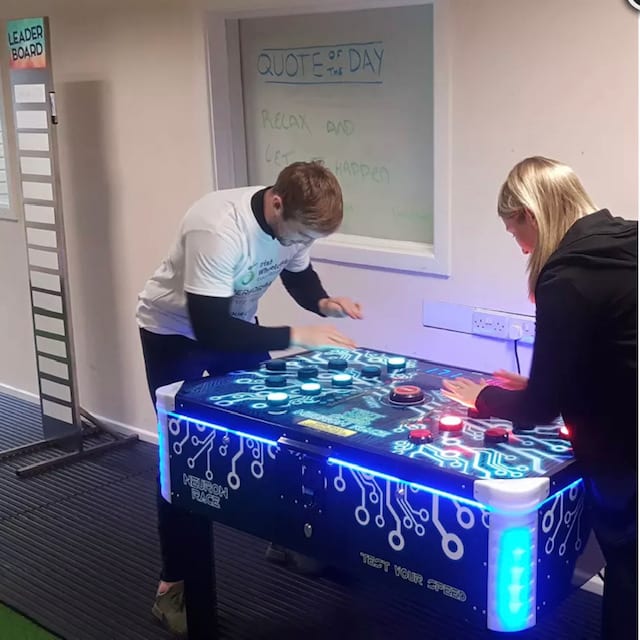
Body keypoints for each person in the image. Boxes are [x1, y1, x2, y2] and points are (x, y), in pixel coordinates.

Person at [136, 161, 362, 637]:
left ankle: (285, 538)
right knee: (180, 455)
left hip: (233, 325)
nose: (303, 243)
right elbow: (210, 329)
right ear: (277, 203)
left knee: (276, 430)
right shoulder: (218, 227)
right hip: (173, 332)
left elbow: (297, 274)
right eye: (302, 234)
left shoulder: (294, 220)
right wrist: (299, 335)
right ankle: (172, 588)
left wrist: (323, 303)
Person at [442, 156, 637, 640]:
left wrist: (484, 397)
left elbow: (539, 411)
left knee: (627, 573)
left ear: (530, 213)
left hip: (623, 453)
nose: (520, 245)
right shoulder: (628, 241)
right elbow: (616, 349)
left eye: (515, 232)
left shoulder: (565, 276)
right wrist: (544, 380)